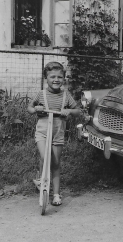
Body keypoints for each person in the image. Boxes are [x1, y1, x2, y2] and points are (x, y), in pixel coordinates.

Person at [27, 61, 81, 206]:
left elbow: (77, 111)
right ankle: (41, 180)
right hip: (43, 132)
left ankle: (56, 194)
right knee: (45, 157)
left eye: (59, 77)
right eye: (52, 77)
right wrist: (36, 109)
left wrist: (69, 111)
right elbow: (29, 108)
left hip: (58, 132)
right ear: (46, 78)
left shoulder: (66, 95)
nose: (56, 80)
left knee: (56, 163)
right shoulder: (41, 94)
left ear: (64, 79)